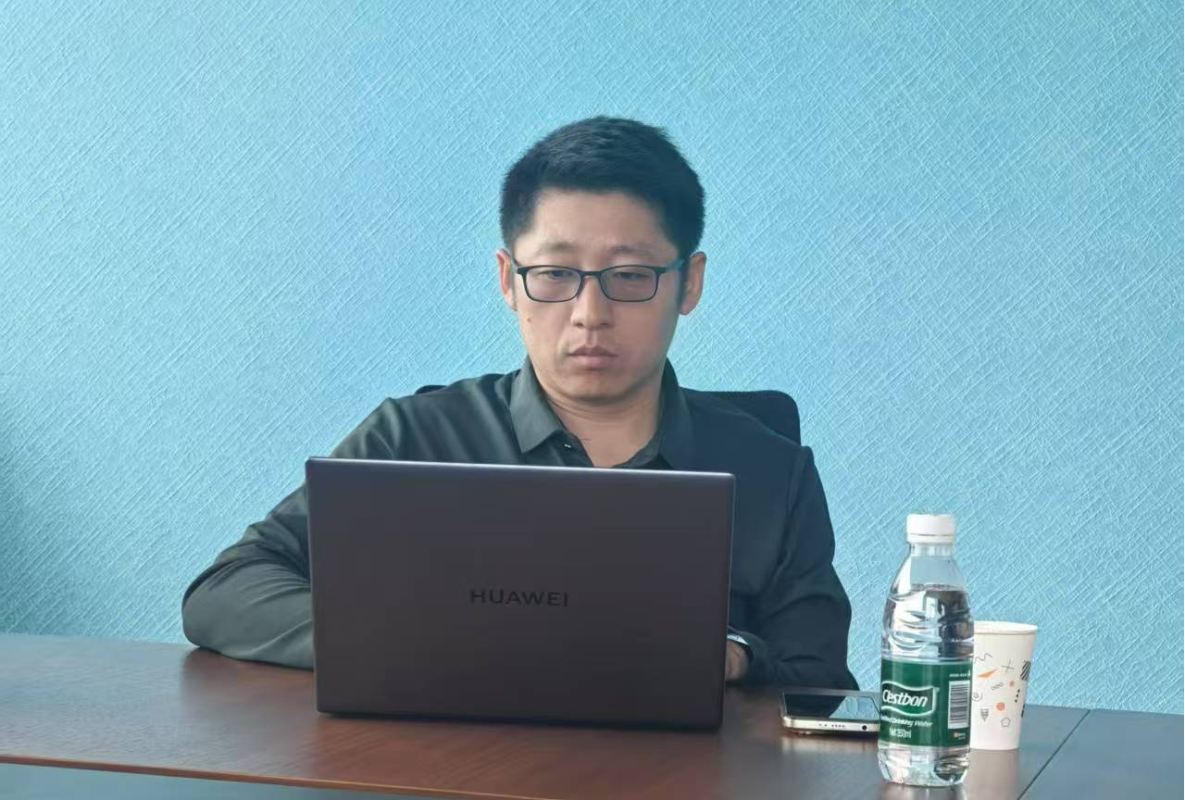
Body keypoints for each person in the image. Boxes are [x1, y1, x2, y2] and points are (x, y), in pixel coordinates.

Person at [182, 115, 859, 690]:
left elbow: (822, 680)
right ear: (509, 280)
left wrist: (735, 656)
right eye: (555, 274)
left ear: (689, 284)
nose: (589, 313)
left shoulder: (772, 470)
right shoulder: (412, 442)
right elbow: (225, 591)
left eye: (629, 276)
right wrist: (436, 638)